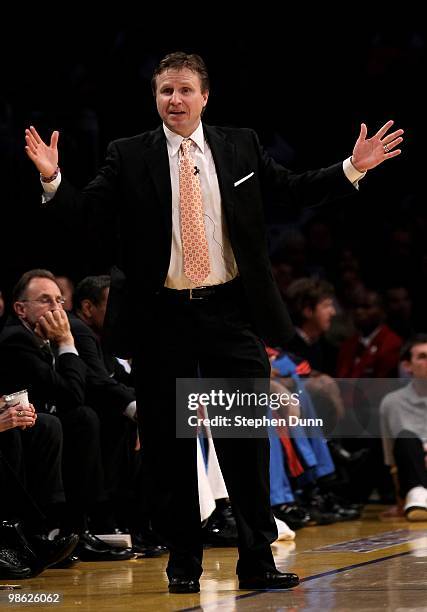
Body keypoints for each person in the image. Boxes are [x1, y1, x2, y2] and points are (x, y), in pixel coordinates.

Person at [24, 51, 403, 593]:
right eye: (164, 92)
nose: (173, 100)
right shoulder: (128, 155)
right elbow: (87, 217)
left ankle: (257, 560)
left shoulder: (240, 144)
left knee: (244, 442)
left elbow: (293, 188)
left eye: (183, 90)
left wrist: (353, 167)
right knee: (169, 447)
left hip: (229, 311)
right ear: (155, 98)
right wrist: (55, 179)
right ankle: (184, 564)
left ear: (205, 96)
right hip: (161, 317)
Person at [380, 334, 427, 521]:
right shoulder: (392, 403)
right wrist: (400, 502)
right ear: (407, 366)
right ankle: (416, 497)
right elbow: (392, 461)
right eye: (422, 357)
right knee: (406, 438)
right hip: (415, 472)